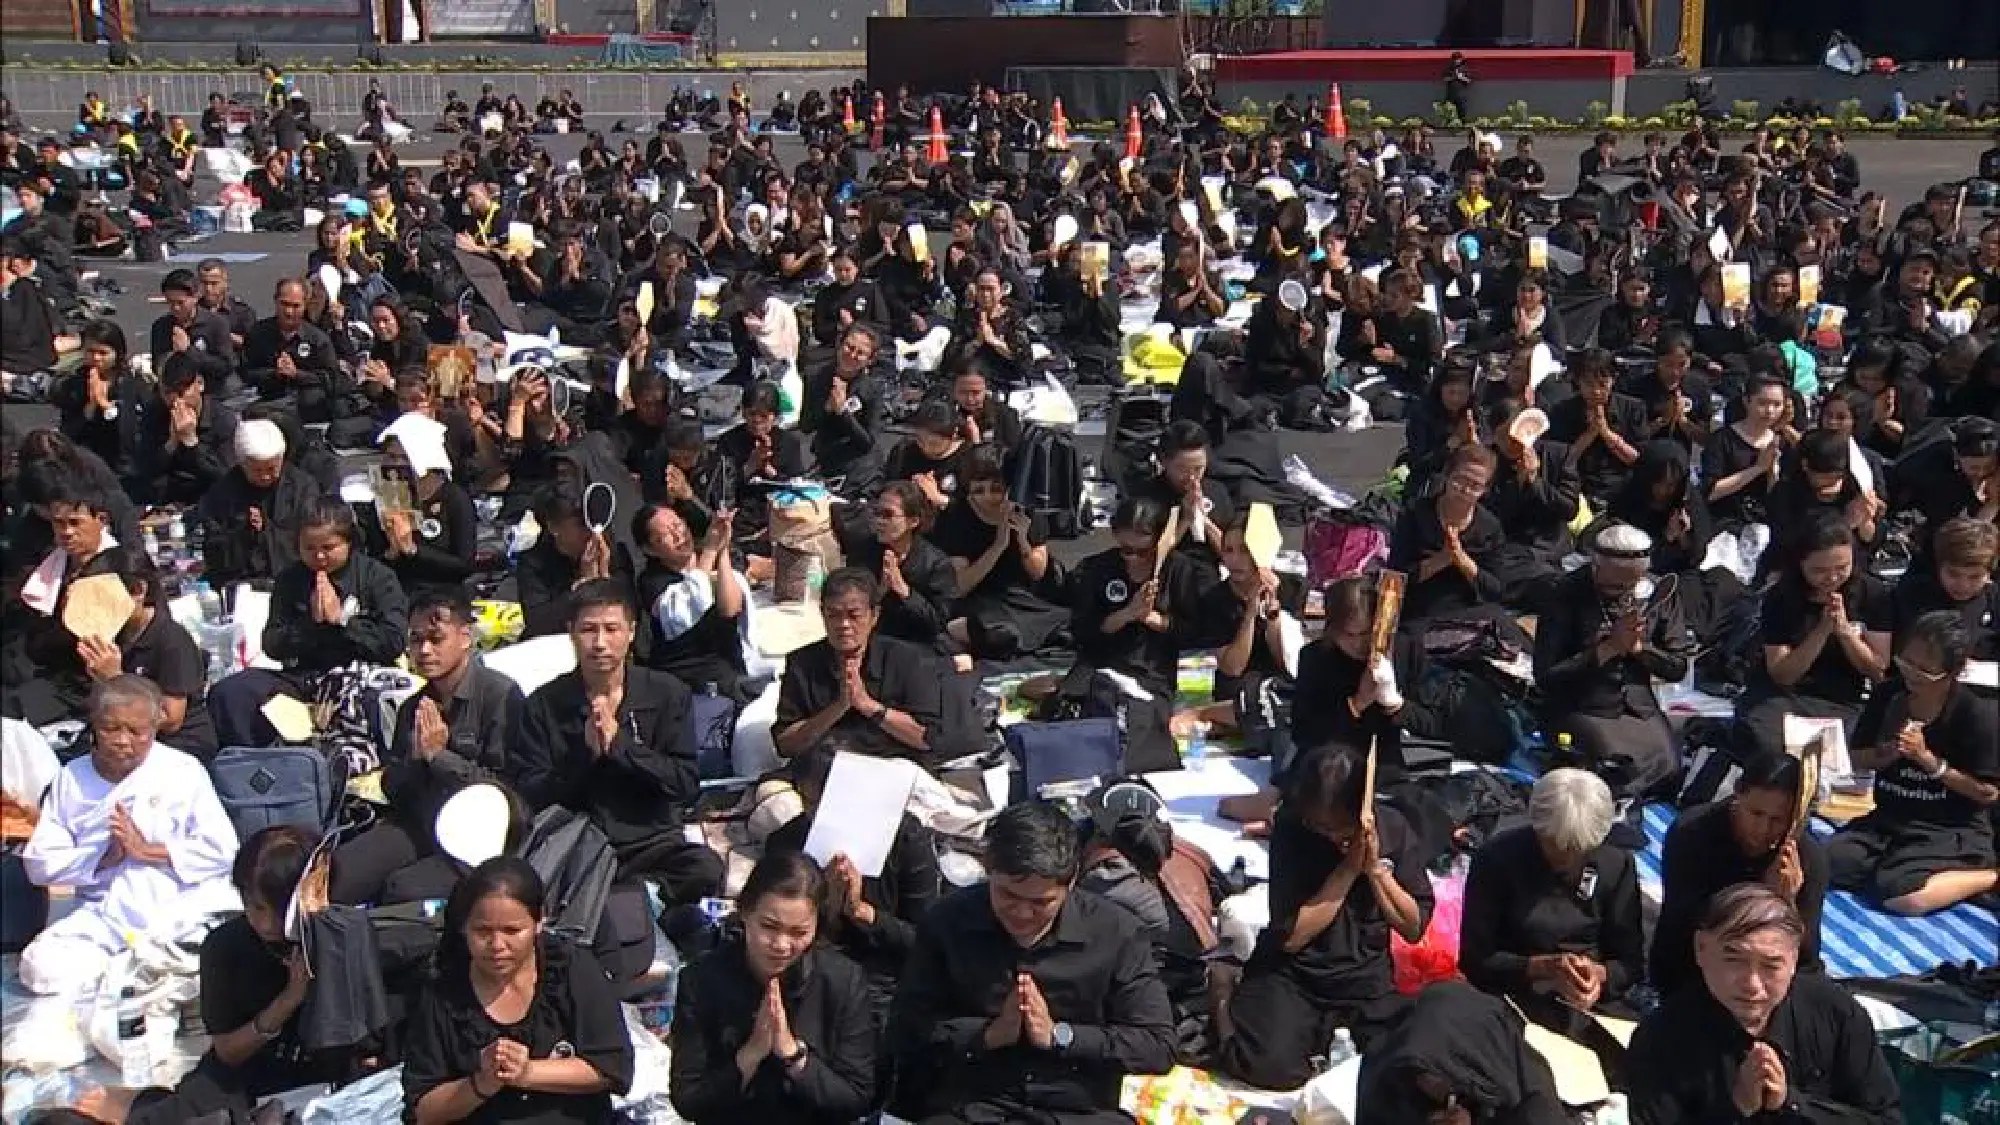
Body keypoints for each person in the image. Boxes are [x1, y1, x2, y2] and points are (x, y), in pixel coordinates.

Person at [887, 800, 1176, 1123]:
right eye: (1008, 895)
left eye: (1041, 902)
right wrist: (987, 1035)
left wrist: (1062, 1036)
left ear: (1072, 882)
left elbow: (1156, 1045)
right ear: (988, 870)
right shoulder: (946, 923)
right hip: (975, 1105)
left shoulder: (1117, 933)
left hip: (1077, 1110)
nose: (1023, 914)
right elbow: (905, 1030)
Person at [70, 826, 354, 1125]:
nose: (265, 922)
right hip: (248, 1071)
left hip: (322, 1073)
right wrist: (288, 1001)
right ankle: (143, 1104)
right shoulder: (225, 947)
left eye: (276, 909)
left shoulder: (338, 936)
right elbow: (228, 1051)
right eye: (254, 907)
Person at [1210, 747, 1432, 1091]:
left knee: (1401, 1072)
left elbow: (1412, 927)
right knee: (1271, 1067)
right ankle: (1223, 992)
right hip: (1297, 974)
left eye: (1337, 827)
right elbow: (1294, 936)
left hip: (1365, 978)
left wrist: (1375, 870)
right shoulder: (1293, 829)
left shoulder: (1394, 828)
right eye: (1319, 826)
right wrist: (1346, 870)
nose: (1329, 835)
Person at [19, 676, 240, 995]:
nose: (123, 740)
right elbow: (40, 864)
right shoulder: (73, 777)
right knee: (40, 967)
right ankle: (129, 973)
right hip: (104, 915)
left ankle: (141, 973)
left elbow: (223, 850)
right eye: (111, 729)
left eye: (136, 731)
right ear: (94, 725)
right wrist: (104, 857)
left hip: (177, 907)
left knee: (221, 953)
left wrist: (147, 851)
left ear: (155, 727)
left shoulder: (182, 770)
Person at [1627, 883, 1903, 1125]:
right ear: (1701, 949)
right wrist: (1736, 1107)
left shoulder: (1833, 1011)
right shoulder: (1661, 1038)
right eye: (1734, 960)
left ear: (1793, 959)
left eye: (1771, 966)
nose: (1752, 985)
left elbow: (1885, 1118)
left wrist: (1792, 1103)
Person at [517, 580, 720, 907]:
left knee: (705, 869)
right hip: (582, 839)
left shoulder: (667, 693)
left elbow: (684, 783)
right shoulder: (544, 703)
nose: (600, 643)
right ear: (571, 633)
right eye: (588, 630)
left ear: (631, 632)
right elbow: (533, 792)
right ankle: (629, 899)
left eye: (612, 629)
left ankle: (646, 898)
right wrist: (586, 757)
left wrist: (621, 748)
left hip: (651, 838)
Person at [402, 857, 634, 1125]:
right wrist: (482, 1083)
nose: (497, 945)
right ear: (464, 928)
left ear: (538, 923)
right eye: (482, 931)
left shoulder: (571, 968)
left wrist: (527, 1072)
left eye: (512, 931)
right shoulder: (442, 992)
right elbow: (422, 1112)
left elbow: (611, 1067)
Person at [330, 590, 526, 906]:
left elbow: (504, 793)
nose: (424, 650)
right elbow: (393, 786)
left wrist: (440, 757)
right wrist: (416, 760)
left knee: (401, 890)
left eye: (436, 639)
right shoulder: (413, 706)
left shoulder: (500, 696)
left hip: (476, 834)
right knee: (339, 877)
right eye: (416, 639)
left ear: (465, 638)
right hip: (420, 821)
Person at [1459, 769, 1645, 1081]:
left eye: (1577, 849)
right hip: (1515, 993)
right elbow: (1475, 960)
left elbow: (1631, 961)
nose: (1565, 857)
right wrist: (1543, 967)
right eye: (1555, 845)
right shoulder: (1498, 859)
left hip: (1588, 1003)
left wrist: (1598, 976)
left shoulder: (1615, 863)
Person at [668, 851, 880, 1124]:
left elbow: (857, 1097)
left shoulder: (843, 982)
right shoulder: (701, 981)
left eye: (798, 932)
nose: (781, 945)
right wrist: (748, 1057)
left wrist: (793, 1056)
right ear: (745, 912)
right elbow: (688, 1099)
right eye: (769, 927)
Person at [1828, 610, 1999, 915]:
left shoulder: (1975, 714)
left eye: (1924, 672)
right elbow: (1855, 758)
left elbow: (1987, 792)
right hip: (1890, 818)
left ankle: (1989, 876)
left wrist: (1930, 762)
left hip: (1947, 827)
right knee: (1825, 863)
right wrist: (1885, 754)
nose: (1911, 677)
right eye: (1907, 664)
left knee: (1899, 896)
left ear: (1951, 672)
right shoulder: (1890, 695)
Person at [208, 498, 410, 750]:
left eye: (329, 547)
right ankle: (249, 762)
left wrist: (344, 622)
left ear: (349, 543)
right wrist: (309, 626)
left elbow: (394, 640)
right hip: (305, 676)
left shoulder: (376, 577)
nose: (319, 557)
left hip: (362, 675)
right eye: (309, 548)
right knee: (232, 691)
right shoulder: (290, 580)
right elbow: (272, 643)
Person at [1533, 523, 1693, 798]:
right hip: (1582, 704)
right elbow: (1546, 676)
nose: (1624, 592)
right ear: (1596, 567)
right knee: (1616, 771)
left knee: (1670, 770)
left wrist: (1641, 649)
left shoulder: (1658, 592)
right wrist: (1606, 650)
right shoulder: (1564, 593)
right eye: (1615, 585)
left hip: (1638, 705)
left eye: (1632, 584)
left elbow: (1678, 667)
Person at [1651, 752, 1829, 998]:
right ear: (1737, 794)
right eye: (1756, 814)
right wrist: (1762, 900)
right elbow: (1683, 922)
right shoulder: (1693, 833)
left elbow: (1808, 955)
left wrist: (1787, 902)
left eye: (1778, 820)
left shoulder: (1806, 857)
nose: (1763, 829)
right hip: (1698, 964)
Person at [1735, 511, 1892, 760]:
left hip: (1843, 698)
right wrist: (1821, 631)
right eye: (1819, 570)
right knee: (1771, 746)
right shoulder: (1782, 598)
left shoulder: (1874, 594)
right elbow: (1782, 674)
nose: (1831, 578)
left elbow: (1878, 670)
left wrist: (1845, 633)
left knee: (1850, 750)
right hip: (1786, 696)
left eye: (1842, 568)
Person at [775, 567, 942, 762]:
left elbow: (927, 739)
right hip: (822, 769)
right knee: (771, 791)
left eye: (854, 615)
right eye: (833, 615)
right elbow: (785, 745)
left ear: (874, 616)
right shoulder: (802, 663)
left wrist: (868, 706)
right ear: (822, 614)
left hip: (891, 765)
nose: (843, 624)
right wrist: (838, 707)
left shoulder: (907, 659)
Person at [1353, 980, 1568, 1125]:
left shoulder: (1525, 1089)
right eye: (1421, 1074)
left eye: (1445, 1073)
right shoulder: (1389, 1074)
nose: (1430, 1082)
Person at [931, 446, 1066, 661]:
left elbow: (1038, 573)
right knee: (993, 631)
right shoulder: (956, 517)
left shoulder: (1026, 511)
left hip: (1019, 597)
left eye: (996, 489)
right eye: (978, 490)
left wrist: (1022, 539)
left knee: (1066, 622)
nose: (988, 498)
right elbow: (961, 585)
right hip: (979, 599)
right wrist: (998, 546)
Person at [634, 499, 754, 702]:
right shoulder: (652, 581)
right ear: (650, 549)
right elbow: (685, 607)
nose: (678, 535)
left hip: (728, 665)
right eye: (665, 535)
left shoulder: (709, 557)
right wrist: (709, 551)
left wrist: (722, 549)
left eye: (678, 525)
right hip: (687, 677)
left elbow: (730, 608)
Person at [193, 418, 327, 589]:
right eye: (257, 470)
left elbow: (310, 538)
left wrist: (267, 530)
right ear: (242, 464)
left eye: (271, 469)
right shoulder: (223, 492)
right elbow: (214, 550)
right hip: (241, 580)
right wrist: (244, 531)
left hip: (293, 579)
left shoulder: (302, 487)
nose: (265, 476)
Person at [1387, 444, 1506, 624]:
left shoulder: (1489, 527)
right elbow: (1395, 577)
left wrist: (1461, 559)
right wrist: (1441, 560)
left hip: (1468, 610)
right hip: (1420, 609)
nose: (1465, 491)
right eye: (1460, 480)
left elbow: (1495, 589)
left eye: (1475, 486)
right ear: (1447, 475)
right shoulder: (1416, 513)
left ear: (1485, 490)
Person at [837, 481, 957, 653]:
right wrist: (879, 590)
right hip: (873, 641)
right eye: (877, 513)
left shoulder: (935, 564)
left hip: (917, 645)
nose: (879, 521)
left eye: (888, 515)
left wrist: (902, 589)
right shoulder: (864, 552)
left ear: (913, 521)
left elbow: (938, 622)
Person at [370, 413, 478, 601]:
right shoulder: (385, 499)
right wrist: (392, 552)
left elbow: (464, 564)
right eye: (391, 457)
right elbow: (372, 560)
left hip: (442, 594)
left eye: (404, 458)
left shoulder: (454, 498)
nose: (396, 465)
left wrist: (414, 550)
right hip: (396, 593)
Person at [799, 323, 888, 496]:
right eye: (849, 347)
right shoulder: (815, 376)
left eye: (860, 353)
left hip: (860, 465)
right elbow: (806, 425)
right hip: (827, 457)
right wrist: (827, 408)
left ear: (870, 359)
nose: (852, 355)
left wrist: (843, 412)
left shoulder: (872, 389)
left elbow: (867, 441)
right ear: (840, 344)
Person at [1132, 421, 1233, 573]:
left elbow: (1232, 553)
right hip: (1167, 576)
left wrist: (1203, 519)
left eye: (1198, 468)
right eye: (1182, 469)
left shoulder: (1216, 490)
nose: (1192, 477)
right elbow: (1150, 558)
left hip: (1209, 572)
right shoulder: (1146, 497)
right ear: (1164, 462)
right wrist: (1185, 519)